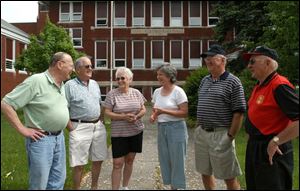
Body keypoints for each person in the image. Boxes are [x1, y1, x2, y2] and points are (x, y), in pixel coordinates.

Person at [1, 52, 74, 190]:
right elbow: (6, 104)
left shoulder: (62, 84)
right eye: (71, 65)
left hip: (59, 138)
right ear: (60, 64)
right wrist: (23, 129)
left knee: (58, 181)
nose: (73, 69)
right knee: (39, 184)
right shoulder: (36, 81)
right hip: (41, 140)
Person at [242, 45, 299, 190]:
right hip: (255, 148)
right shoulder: (260, 85)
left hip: (272, 150)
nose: (249, 66)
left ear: (268, 63)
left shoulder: (279, 85)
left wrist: (276, 140)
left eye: (253, 61)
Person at [195, 44, 246, 190]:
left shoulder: (233, 82)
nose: (207, 60)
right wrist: (199, 127)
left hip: (221, 133)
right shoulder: (205, 80)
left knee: (228, 176)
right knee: (204, 172)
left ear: (223, 60)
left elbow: (239, 112)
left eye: (212, 58)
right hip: (202, 133)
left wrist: (230, 137)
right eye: (206, 58)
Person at [65, 56, 108, 190]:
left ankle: (94, 187)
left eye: (91, 66)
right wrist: (70, 127)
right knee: (79, 163)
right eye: (87, 66)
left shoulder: (94, 83)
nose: (90, 68)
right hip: (79, 127)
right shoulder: (69, 85)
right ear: (77, 70)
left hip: (98, 127)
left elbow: (99, 103)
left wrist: (101, 118)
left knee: (98, 159)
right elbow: (63, 107)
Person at [102, 67, 147, 190]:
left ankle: (125, 187)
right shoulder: (112, 94)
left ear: (130, 80)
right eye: (118, 78)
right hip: (119, 134)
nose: (120, 80)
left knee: (130, 160)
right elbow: (107, 112)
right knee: (117, 164)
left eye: (123, 78)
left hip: (135, 132)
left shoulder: (136, 93)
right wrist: (123, 117)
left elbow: (143, 109)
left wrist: (137, 116)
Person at [150, 63, 189, 190]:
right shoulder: (156, 92)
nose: (158, 77)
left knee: (177, 160)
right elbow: (155, 110)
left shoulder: (178, 91)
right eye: (157, 74)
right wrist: (154, 116)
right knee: (165, 159)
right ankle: (172, 186)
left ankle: (177, 187)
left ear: (169, 76)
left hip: (177, 128)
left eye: (160, 74)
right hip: (162, 129)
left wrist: (164, 112)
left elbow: (184, 113)